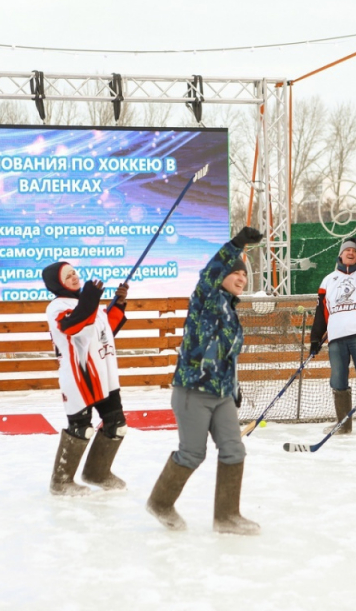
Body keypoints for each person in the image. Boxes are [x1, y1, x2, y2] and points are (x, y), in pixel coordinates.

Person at [146, 226, 263, 535]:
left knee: (234, 450)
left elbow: (226, 356)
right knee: (192, 453)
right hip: (192, 392)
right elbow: (210, 271)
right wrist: (236, 245)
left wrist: (234, 388)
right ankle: (160, 502)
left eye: (245, 276)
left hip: (222, 394)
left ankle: (227, 516)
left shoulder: (231, 310)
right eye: (236, 273)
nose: (241, 278)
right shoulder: (206, 297)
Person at [43, 262, 130, 496]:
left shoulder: (88, 304)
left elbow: (104, 330)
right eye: (67, 276)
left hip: (105, 375)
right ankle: (61, 481)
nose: (74, 277)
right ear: (57, 283)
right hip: (79, 377)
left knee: (117, 425)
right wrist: (91, 297)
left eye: (74, 273)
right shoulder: (57, 306)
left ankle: (97, 473)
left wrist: (118, 304)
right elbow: (74, 326)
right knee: (81, 428)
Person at [309, 236, 356, 436]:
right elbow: (321, 312)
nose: (351, 253)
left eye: (354, 250)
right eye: (347, 250)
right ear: (340, 255)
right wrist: (315, 338)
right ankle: (343, 424)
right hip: (336, 337)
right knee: (338, 380)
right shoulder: (328, 280)